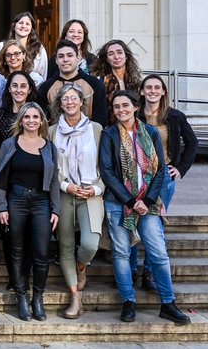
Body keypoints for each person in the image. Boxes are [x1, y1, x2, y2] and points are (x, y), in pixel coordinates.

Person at [99, 90, 190, 325]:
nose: (121, 110)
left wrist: (147, 201)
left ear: (135, 107)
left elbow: (160, 169)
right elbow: (107, 172)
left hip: (147, 203)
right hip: (119, 202)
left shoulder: (150, 132)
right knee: (121, 253)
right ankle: (128, 302)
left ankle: (168, 303)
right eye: (116, 106)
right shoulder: (109, 135)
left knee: (158, 254)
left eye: (125, 105)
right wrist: (130, 201)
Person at [0, 101, 61, 322]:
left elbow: (53, 181)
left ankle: (37, 298)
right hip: (16, 199)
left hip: (41, 202)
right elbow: (1, 178)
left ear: (42, 120)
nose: (31, 121)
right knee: (16, 251)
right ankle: (21, 296)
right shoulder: (9, 144)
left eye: (35, 117)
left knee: (41, 253)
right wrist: (1, 206)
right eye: (27, 117)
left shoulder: (49, 146)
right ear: (20, 120)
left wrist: (56, 209)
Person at [50, 83, 103, 320]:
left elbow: (106, 165)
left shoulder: (97, 129)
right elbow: (51, 168)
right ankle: (75, 297)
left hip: (90, 192)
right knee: (65, 246)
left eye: (74, 98)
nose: (70, 102)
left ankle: (82, 267)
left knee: (90, 244)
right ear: (59, 104)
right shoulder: (52, 131)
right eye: (65, 99)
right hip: (63, 192)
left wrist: (95, 189)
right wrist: (65, 185)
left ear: (82, 102)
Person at [141, 74, 197, 214]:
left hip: (164, 173)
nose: (152, 91)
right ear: (142, 91)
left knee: (158, 215)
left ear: (163, 91)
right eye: (148, 87)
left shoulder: (175, 116)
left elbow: (192, 142)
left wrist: (181, 168)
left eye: (157, 87)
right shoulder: (135, 115)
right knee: (139, 215)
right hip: (138, 173)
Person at [38, 39, 108, 125]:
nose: (65, 59)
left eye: (70, 55)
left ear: (78, 58)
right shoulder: (45, 88)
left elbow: (101, 118)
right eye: (61, 56)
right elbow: (44, 120)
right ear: (56, 60)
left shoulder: (95, 84)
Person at [0, 12, 48, 85]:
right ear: (14, 26)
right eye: (21, 23)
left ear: (31, 28)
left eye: (27, 24)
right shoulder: (1, 46)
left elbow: (43, 74)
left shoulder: (39, 48)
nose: (23, 26)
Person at [0, 71, 40, 140]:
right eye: (15, 86)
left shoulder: (37, 114)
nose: (18, 90)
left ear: (29, 90)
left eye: (23, 86)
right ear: (9, 89)